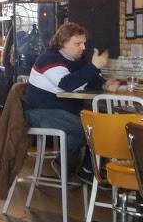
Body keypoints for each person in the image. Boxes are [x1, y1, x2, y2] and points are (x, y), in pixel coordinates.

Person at [24, 22, 121, 174]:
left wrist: (105, 84)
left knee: (100, 123)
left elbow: (89, 78)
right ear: (63, 43)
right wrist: (94, 67)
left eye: (84, 43)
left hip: (64, 110)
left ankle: (87, 170)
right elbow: (67, 84)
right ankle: (67, 166)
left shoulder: (77, 59)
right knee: (88, 128)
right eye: (78, 43)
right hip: (40, 112)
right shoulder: (49, 59)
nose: (83, 47)